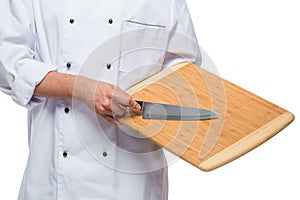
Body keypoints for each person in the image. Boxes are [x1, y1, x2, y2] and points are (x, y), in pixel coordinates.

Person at [0, 0, 201, 199]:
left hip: (133, 184)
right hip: (53, 183)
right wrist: (82, 88)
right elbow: (8, 65)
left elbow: (186, 75)